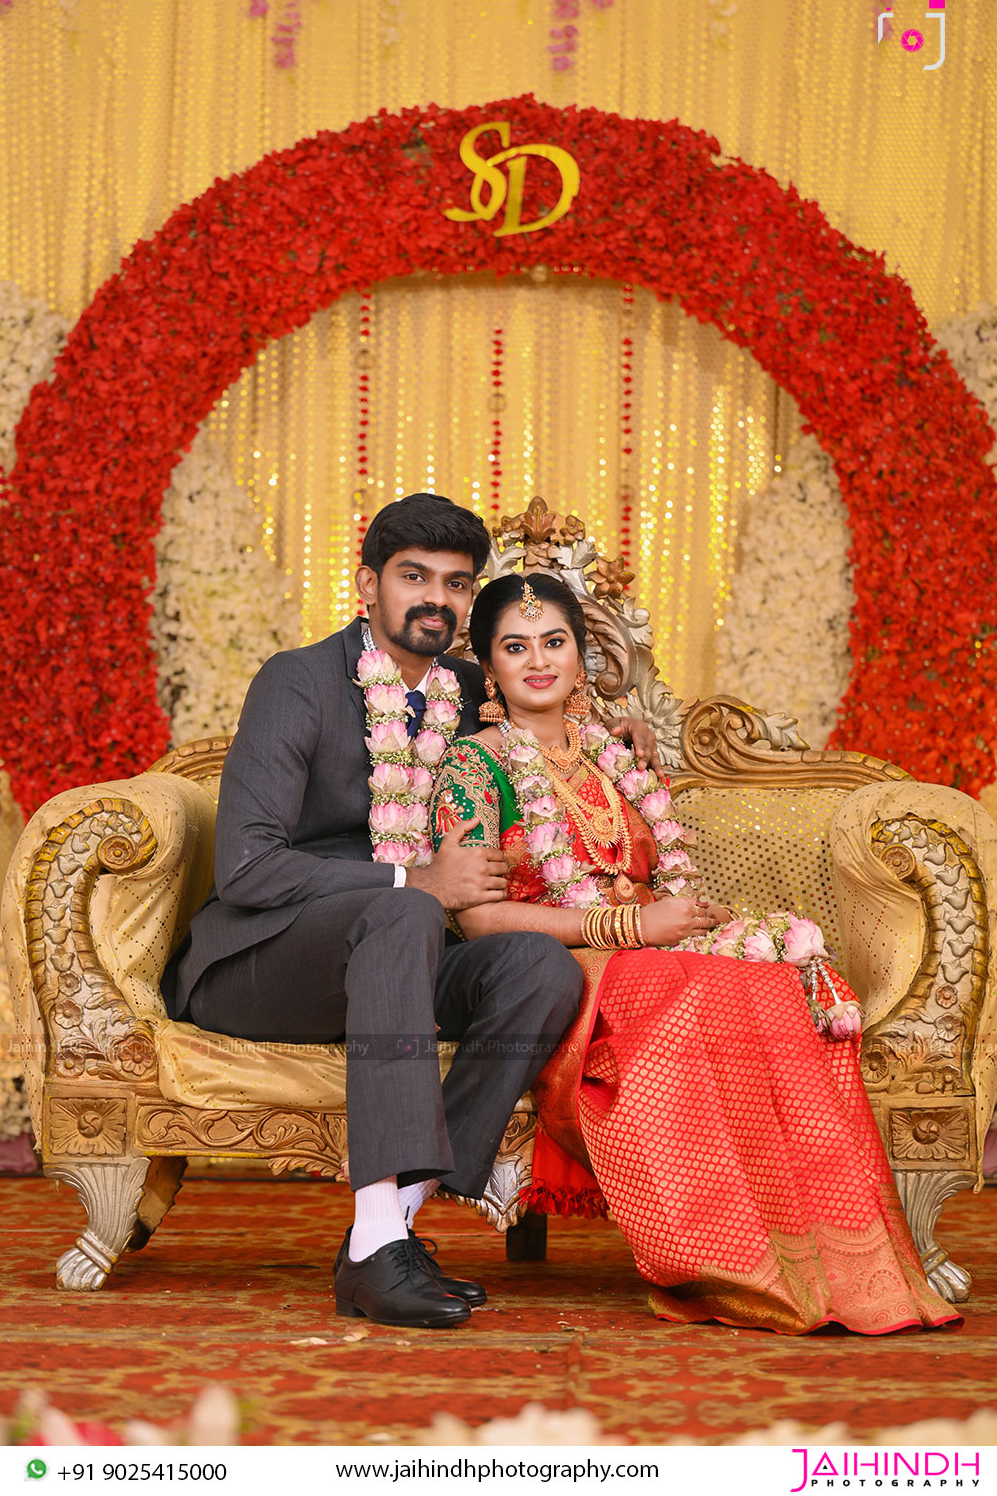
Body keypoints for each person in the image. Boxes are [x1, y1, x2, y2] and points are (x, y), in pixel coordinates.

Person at [161, 493, 657, 1330]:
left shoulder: (468, 687)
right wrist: (412, 880)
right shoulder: (297, 682)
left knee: (538, 968)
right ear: (368, 585)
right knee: (407, 913)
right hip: (262, 960)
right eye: (413, 577)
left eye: (456, 584)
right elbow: (247, 866)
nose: (436, 598)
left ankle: (387, 1225)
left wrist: (622, 730)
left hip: (401, 957)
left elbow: (548, 712)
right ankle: (378, 1242)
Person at [428, 571, 960, 1334]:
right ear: (487, 667)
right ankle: (734, 1261)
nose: (538, 660)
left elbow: (653, 872)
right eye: (516, 646)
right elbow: (478, 921)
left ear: (581, 657)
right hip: (558, 963)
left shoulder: (613, 755)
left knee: (779, 982)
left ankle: (836, 1257)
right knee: (685, 988)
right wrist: (631, 927)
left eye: (554, 641)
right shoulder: (471, 766)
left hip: (655, 942)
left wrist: (673, 918)